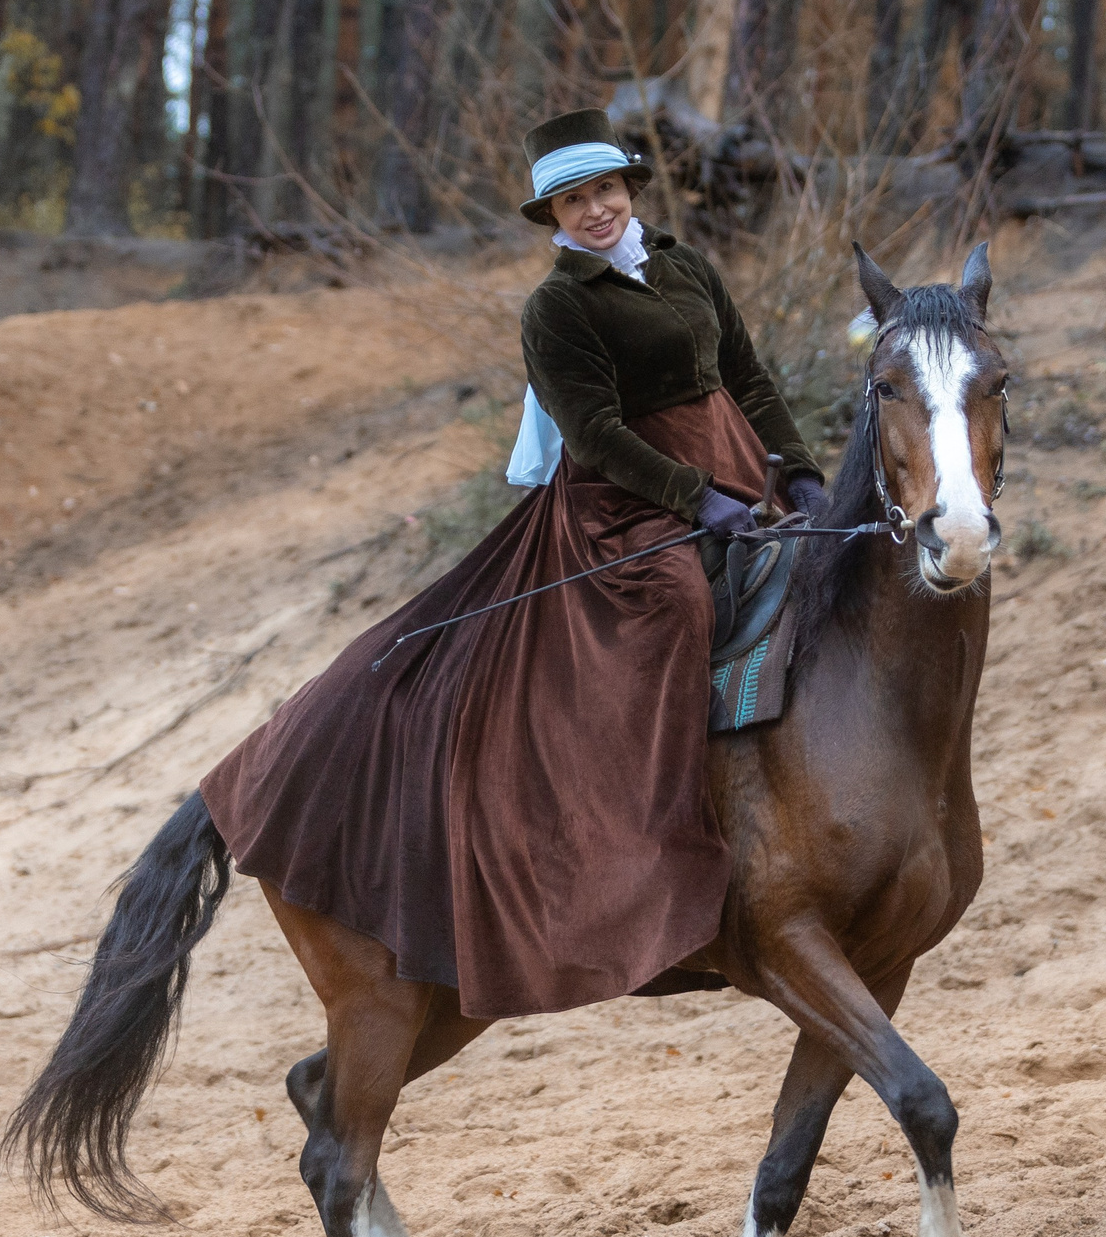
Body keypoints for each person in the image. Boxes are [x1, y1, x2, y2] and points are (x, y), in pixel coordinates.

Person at [198, 109, 825, 1020]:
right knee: (676, 602)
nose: (596, 210)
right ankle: (660, 833)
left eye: (606, 190)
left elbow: (748, 376)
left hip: (728, 467)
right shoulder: (557, 307)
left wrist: (798, 470)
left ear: (629, 189)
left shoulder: (684, 265)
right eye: (574, 201)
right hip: (622, 506)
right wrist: (698, 500)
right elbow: (596, 436)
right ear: (554, 218)